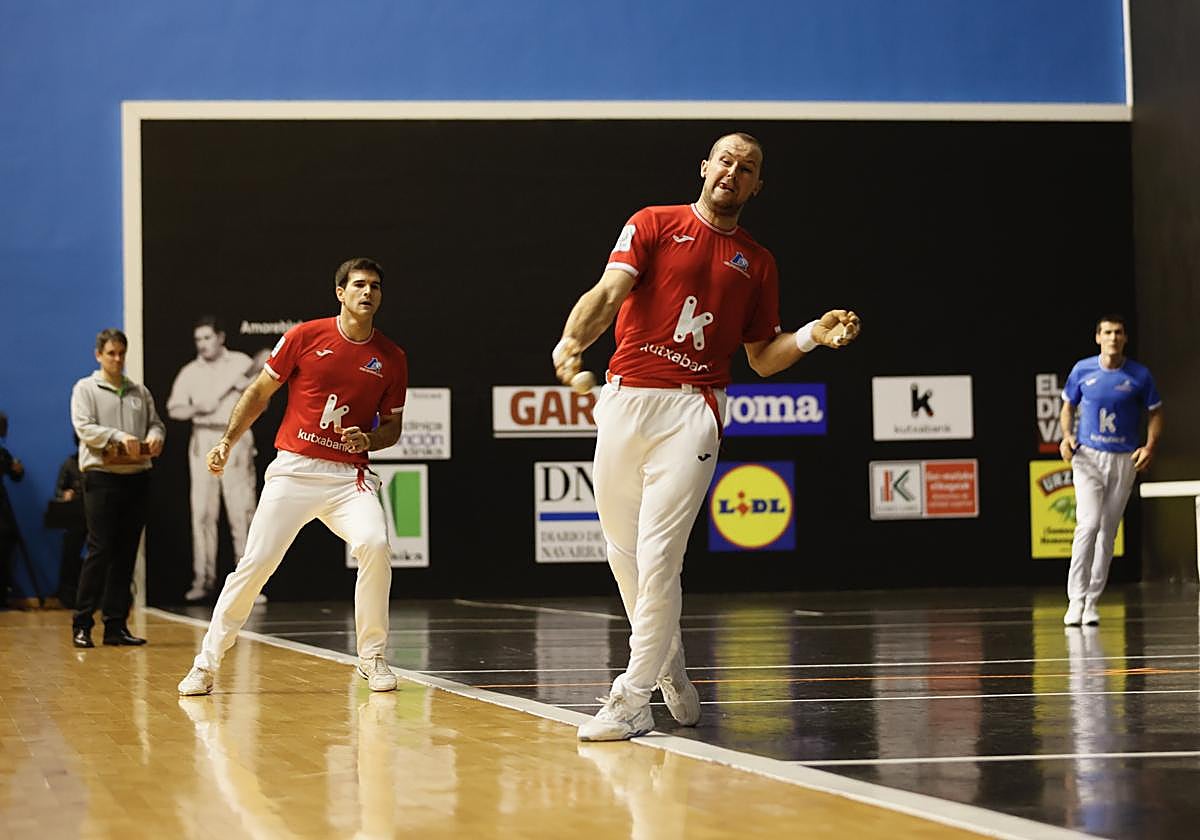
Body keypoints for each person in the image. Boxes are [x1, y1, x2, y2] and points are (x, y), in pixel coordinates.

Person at [551, 132, 861, 741]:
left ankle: (631, 697)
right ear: (705, 166)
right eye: (726, 160)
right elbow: (610, 293)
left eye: (747, 168)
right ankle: (667, 662)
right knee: (623, 553)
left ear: (756, 186)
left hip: (694, 412)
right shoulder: (653, 223)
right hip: (625, 399)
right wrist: (571, 341)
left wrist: (810, 337)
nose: (733, 173)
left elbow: (763, 358)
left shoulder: (758, 261)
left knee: (661, 555)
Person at [178, 257, 407, 696]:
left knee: (376, 544)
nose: (368, 292)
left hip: (347, 479)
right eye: (359, 285)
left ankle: (372, 657)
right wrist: (228, 440)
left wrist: (370, 440)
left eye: (375, 286)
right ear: (341, 292)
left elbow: (393, 427)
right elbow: (258, 392)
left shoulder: (392, 358)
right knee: (256, 563)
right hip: (294, 471)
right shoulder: (304, 337)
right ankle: (205, 665)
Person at [1059, 314, 1162, 626]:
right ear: (1097, 337)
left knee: (1107, 533)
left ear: (1125, 338)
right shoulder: (1082, 369)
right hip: (1088, 457)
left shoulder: (1140, 375)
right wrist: (1066, 437)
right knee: (1088, 525)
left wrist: (1150, 446)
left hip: (1123, 459)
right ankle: (1075, 600)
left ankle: (1091, 601)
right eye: (1107, 332)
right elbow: (1067, 407)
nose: (1113, 338)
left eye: (1118, 333)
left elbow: (1155, 413)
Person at [70, 328, 166, 647]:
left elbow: (156, 423)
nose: (117, 359)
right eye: (111, 353)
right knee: (100, 548)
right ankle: (82, 623)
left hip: (136, 476)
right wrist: (116, 436)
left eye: (122, 353)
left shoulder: (139, 391)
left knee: (126, 553)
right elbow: (84, 428)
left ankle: (115, 625)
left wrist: (156, 437)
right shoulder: (86, 388)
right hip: (101, 476)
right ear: (99, 355)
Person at [167, 316, 265, 602]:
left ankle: (248, 585)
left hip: (236, 439)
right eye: (198, 339)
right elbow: (174, 409)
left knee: (242, 512)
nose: (203, 344)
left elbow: (262, 395)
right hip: (203, 440)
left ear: (220, 337)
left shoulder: (240, 363)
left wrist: (242, 392)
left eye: (207, 338)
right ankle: (203, 580)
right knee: (203, 513)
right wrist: (199, 407)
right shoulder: (189, 372)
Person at [52, 440, 86, 608]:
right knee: (70, 554)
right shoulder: (70, 464)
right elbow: (59, 490)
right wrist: (65, 494)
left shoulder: (99, 463)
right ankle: (68, 596)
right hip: (75, 515)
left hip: (97, 514)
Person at [0, 412, 26, 608]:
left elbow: (15, 476)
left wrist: (18, 470)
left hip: (2, 509)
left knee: (7, 541)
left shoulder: (3, 453)